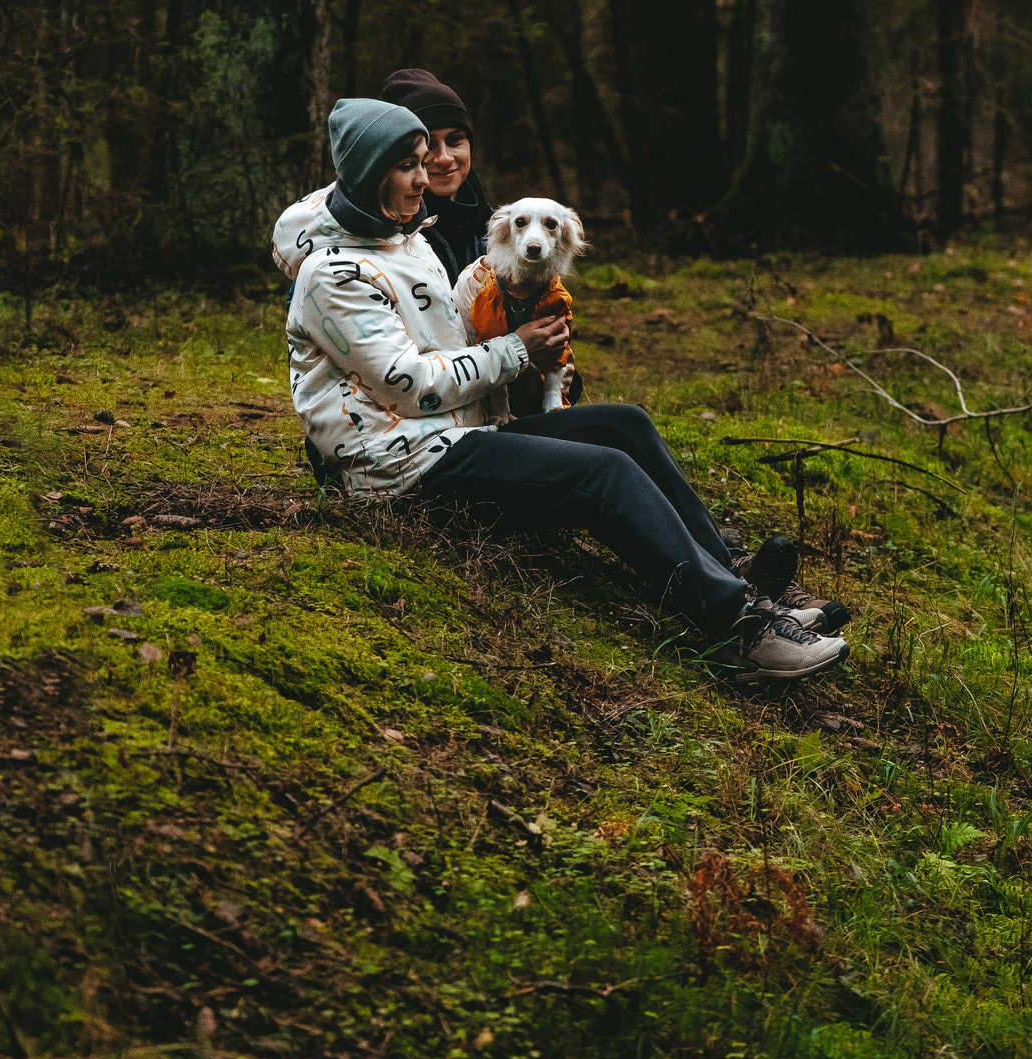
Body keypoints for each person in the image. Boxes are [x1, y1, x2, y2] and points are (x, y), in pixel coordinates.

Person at [285, 98, 847, 679]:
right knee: (603, 471)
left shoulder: (407, 238)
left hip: (459, 431)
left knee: (622, 424)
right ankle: (740, 629)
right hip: (397, 465)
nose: (427, 178)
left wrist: (529, 376)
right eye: (409, 167)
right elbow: (413, 388)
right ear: (369, 172)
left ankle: (737, 579)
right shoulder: (334, 274)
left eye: (424, 162)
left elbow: (456, 346)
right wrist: (516, 350)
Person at [270, 67, 487, 286]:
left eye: (455, 140)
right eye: (428, 145)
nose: (444, 158)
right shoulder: (360, 234)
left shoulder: (500, 226)